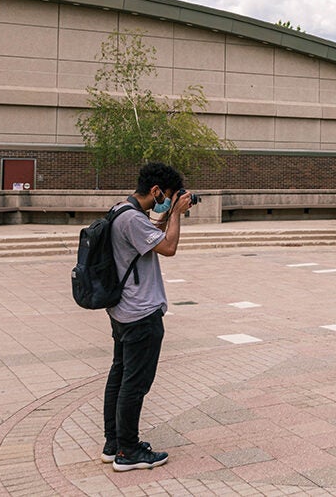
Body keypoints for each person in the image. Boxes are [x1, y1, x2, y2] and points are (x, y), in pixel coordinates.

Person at [102, 162, 192, 471]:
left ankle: (113, 443)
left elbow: (148, 236)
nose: (166, 200)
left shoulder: (121, 211)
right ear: (155, 191)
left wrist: (167, 214)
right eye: (165, 196)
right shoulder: (132, 220)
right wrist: (177, 214)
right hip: (141, 312)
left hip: (122, 310)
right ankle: (128, 452)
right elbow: (168, 247)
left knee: (120, 374)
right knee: (134, 383)